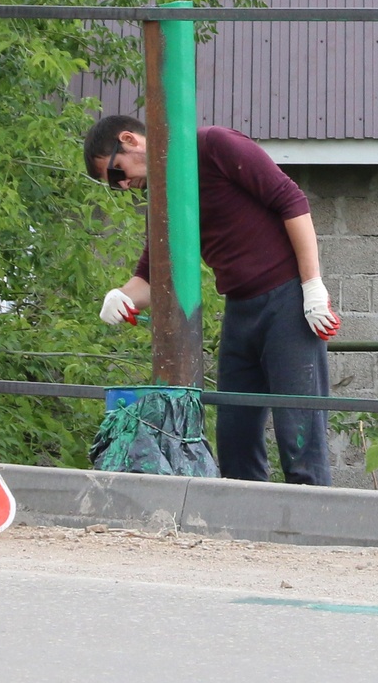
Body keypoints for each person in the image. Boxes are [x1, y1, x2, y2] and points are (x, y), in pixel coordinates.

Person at [85, 114, 340, 485]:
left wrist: (312, 286)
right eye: (114, 185)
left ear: (130, 139)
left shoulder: (214, 145)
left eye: (116, 172)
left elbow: (291, 200)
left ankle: (312, 533)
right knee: (234, 437)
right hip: (240, 310)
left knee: (299, 433)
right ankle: (243, 534)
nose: (123, 185)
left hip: (287, 301)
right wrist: (121, 297)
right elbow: (153, 274)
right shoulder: (164, 195)